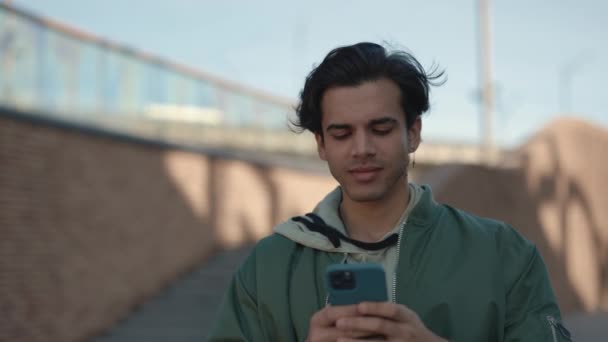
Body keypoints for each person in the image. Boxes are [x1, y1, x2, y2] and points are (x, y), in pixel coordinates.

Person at [208, 42, 570, 341]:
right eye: (342, 133)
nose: (362, 148)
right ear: (321, 144)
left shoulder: (504, 255)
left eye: (380, 129)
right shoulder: (269, 266)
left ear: (412, 133)